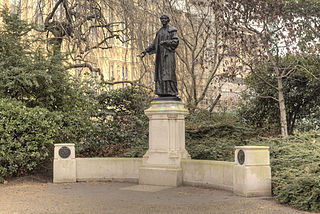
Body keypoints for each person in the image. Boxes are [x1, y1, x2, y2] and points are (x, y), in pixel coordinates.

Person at [141, 14, 179, 98]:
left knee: (169, 74)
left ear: (168, 20)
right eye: (161, 19)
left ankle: (171, 91)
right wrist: (146, 50)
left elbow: (175, 41)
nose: (163, 20)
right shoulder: (159, 31)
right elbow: (154, 44)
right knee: (161, 74)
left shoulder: (172, 30)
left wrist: (166, 42)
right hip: (160, 57)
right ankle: (162, 91)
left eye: (165, 19)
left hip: (168, 55)